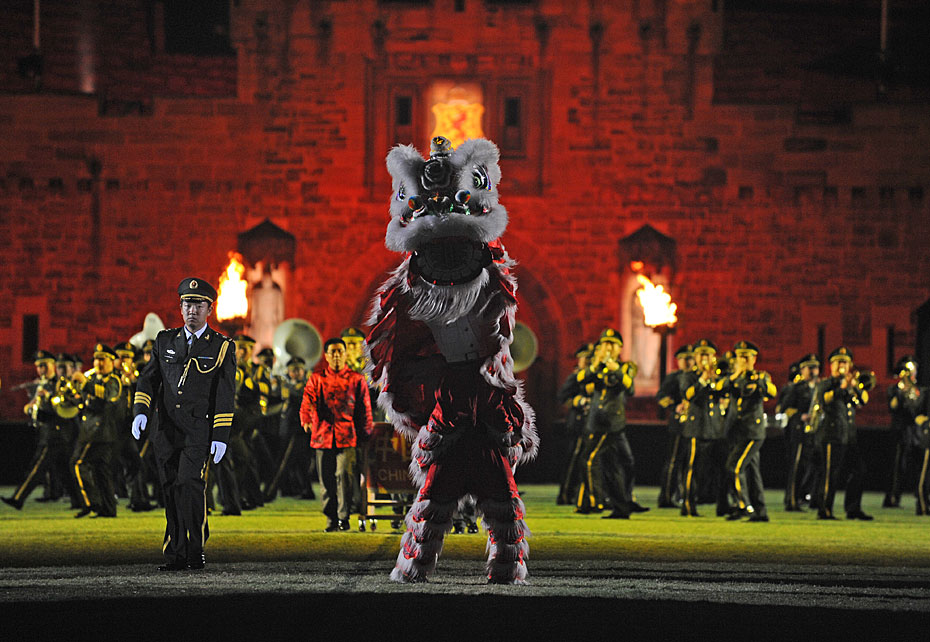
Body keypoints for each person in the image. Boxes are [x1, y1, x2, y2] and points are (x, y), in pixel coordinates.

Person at [131, 277, 236, 570]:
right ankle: (175, 553)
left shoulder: (222, 347)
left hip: (198, 431)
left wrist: (221, 435)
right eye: (187, 304)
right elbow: (148, 379)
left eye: (199, 305)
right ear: (180, 307)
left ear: (209, 310)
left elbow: (225, 394)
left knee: (190, 484)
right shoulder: (165, 340)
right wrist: (141, 410)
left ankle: (195, 549)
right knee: (170, 488)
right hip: (166, 430)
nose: (192, 310)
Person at [300, 338, 373, 532]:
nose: (337, 355)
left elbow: (364, 408)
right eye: (333, 352)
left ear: (346, 354)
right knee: (326, 480)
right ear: (326, 356)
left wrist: (366, 433)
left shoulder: (356, 379)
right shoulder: (317, 378)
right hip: (322, 435)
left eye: (340, 351)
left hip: (347, 436)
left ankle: (343, 517)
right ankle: (331, 517)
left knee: (344, 475)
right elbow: (307, 400)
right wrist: (306, 419)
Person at [577, 329, 645, 520]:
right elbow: (580, 380)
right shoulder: (597, 367)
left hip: (611, 424)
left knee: (589, 459)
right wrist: (595, 365)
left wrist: (615, 368)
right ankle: (621, 507)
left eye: (612, 344)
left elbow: (630, 388)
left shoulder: (624, 367)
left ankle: (596, 501)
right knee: (612, 466)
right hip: (596, 422)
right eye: (605, 344)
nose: (608, 348)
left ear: (619, 348)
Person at [2, 351, 79, 510]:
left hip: (57, 433)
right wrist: (31, 407)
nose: (41, 369)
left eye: (44, 365)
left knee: (37, 467)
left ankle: (18, 498)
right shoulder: (42, 384)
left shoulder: (60, 384)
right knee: (66, 471)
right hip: (47, 431)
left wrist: (49, 397)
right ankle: (81, 502)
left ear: (53, 365)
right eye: (38, 366)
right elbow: (34, 406)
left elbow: (67, 407)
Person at [809, 347, 873, 521]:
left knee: (859, 470)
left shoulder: (852, 384)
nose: (841, 366)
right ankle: (824, 509)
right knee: (830, 474)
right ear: (831, 365)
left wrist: (855, 387)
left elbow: (863, 401)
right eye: (837, 362)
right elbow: (824, 399)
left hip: (848, 436)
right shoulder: (826, 384)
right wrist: (842, 388)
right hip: (831, 435)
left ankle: (853, 508)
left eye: (844, 362)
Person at [720, 341, 776, 522]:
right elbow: (720, 388)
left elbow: (772, 391)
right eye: (740, 357)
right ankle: (760, 511)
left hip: (752, 432)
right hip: (736, 432)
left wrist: (759, 381)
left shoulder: (761, 376)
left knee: (734, 467)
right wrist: (736, 374)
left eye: (746, 357)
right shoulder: (733, 378)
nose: (743, 360)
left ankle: (744, 506)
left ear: (754, 359)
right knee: (752, 472)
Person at [72, 344, 123, 518]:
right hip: (91, 432)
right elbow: (85, 403)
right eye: (96, 359)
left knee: (78, 463)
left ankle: (91, 503)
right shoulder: (92, 379)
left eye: (103, 359)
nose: (98, 363)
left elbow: (108, 395)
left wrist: (85, 383)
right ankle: (108, 509)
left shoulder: (114, 380)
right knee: (101, 471)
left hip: (101, 432)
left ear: (111, 362)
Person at [778, 354, 820, 511]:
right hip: (799, 431)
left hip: (815, 432)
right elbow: (784, 409)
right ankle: (792, 500)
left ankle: (813, 498)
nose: (813, 371)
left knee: (815, 467)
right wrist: (800, 416)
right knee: (797, 467)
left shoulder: (820, 387)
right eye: (810, 368)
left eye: (815, 368)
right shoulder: (796, 388)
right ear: (802, 370)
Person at [655, 344, 694, 508]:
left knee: (689, 462)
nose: (686, 362)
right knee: (674, 461)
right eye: (683, 359)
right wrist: (674, 406)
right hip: (679, 423)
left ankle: (686, 495)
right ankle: (666, 496)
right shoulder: (674, 377)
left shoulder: (697, 376)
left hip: (695, 423)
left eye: (689, 358)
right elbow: (661, 396)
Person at [556, 342, 594, 505]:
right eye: (584, 358)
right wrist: (578, 401)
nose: (586, 361)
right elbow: (562, 396)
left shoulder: (593, 376)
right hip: (577, 423)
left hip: (591, 423)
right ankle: (565, 494)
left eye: (589, 358)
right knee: (573, 459)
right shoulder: (576, 376)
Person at [883, 356, 922, 508]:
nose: (911, 373)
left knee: (919, 467)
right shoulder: (894, 389)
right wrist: (901, 391)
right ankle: (892, 498)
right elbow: (892, 407)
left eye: (913, 370)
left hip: (916, 433)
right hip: (900, 432)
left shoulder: (919, 390)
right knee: (898, 466)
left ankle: (921, 498)